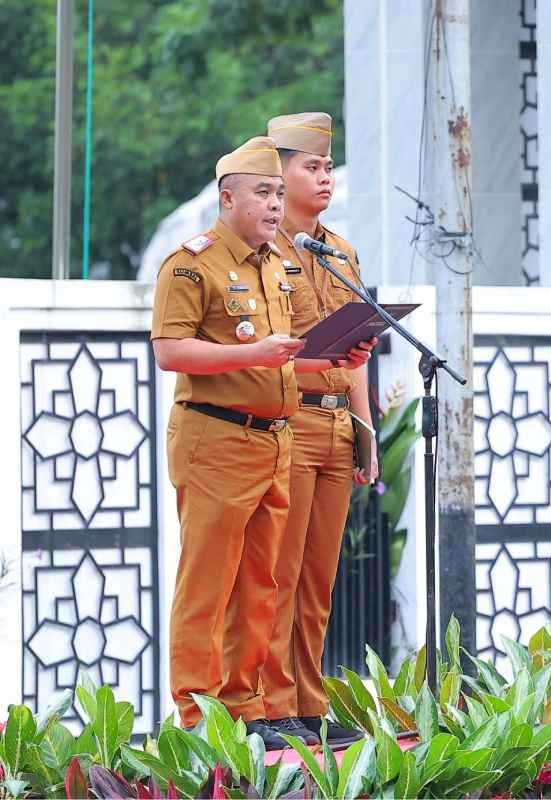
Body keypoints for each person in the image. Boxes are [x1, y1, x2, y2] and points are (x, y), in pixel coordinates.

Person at [151, 137, 363, 748]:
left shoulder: (273, 266)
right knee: (208, 583)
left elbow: (279, 359)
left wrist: (333, 360)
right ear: (228, 198)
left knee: (261, 583)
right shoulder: (191, 264)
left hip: (273, 439)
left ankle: (248, 710)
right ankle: (197, 716)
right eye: (263, 193)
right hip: (215, 436)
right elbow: (170, 351)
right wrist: (254, 355)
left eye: (277, 193)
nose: (274, 205)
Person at [259, 112, 377, 747]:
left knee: (318, 579)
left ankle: (309, 704)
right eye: (313, 166)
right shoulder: (264, 251)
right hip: (289, 420)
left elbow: (357, 351)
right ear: (279, 174)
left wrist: (365, 430)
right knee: (279, 573)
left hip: (335, 425)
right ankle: (273, 706)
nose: (326, 177)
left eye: (329, 166)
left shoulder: (340, 252)